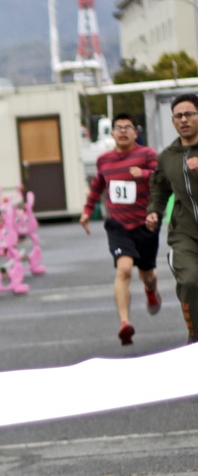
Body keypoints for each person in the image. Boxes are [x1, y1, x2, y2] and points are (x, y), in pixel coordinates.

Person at [80, 112, 160, 345]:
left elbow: (163, 178)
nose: (122, 131)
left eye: (127, 127)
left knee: (147, 274)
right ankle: (125, 323)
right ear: (112, 133)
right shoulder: (104, 160)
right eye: (118, 127)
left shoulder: (147, 155)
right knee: (124, 269)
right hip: (118, 225)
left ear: (135, 133)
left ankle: (150, 289)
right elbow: (98, 184)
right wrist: (87, 210)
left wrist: (143, 173)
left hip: (145, 224)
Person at [146, 93, 198, 342]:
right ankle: (194, 336)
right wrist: (153, 211)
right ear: (173, 121)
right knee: (189, 282)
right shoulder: (167, 157)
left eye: (189, 114)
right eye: (178, 116)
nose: (183, 120)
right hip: (184, 232)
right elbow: (159, 188)